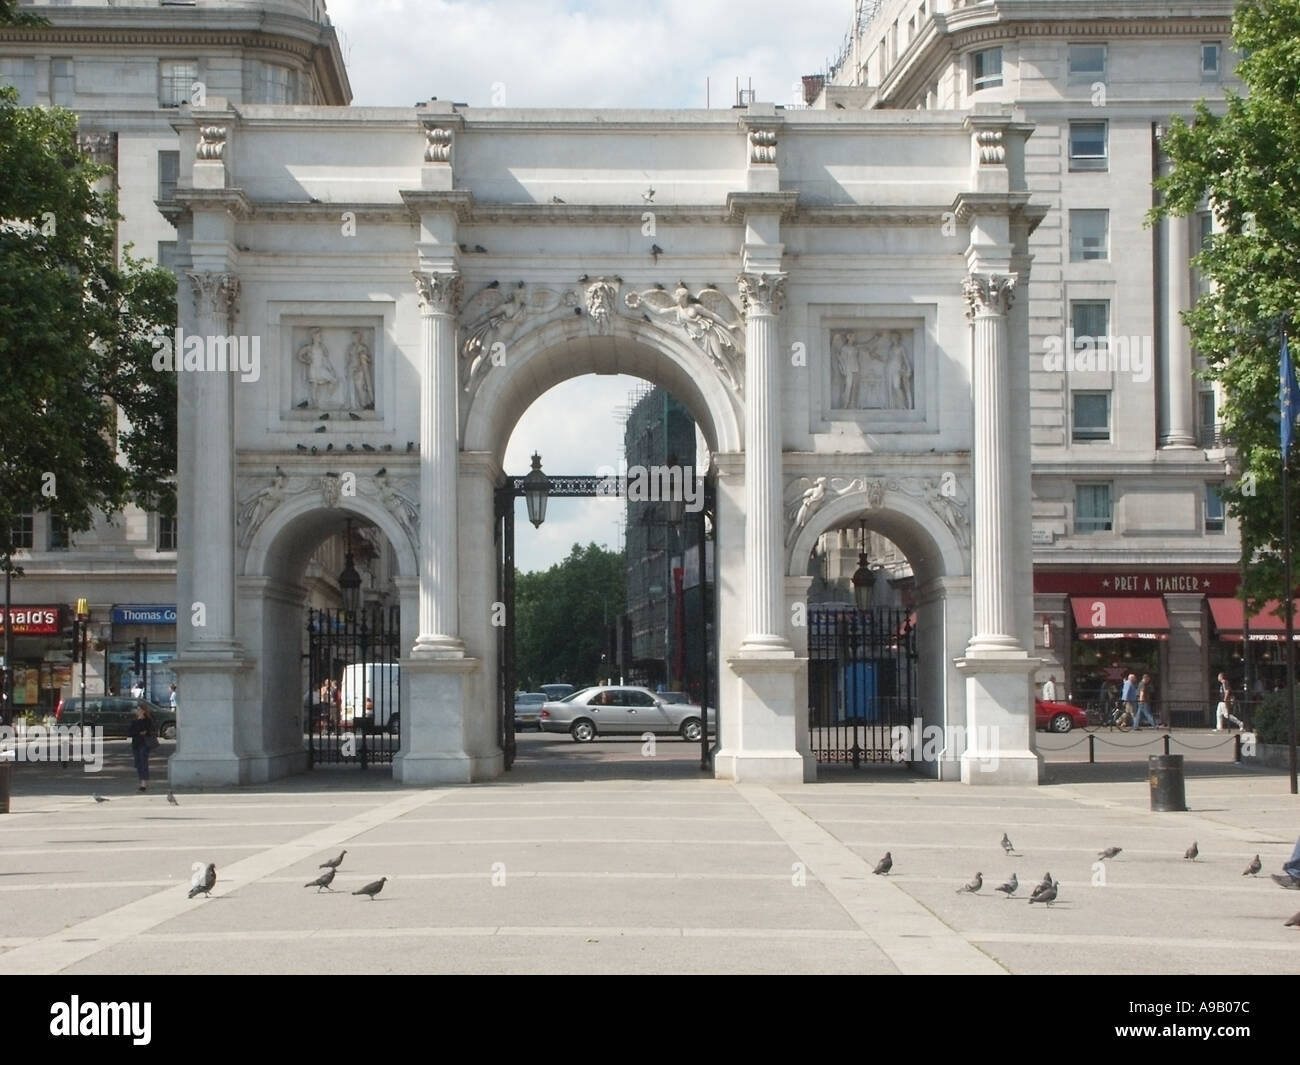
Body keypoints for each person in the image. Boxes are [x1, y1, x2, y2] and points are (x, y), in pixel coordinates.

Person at [127, 702, 156, 792]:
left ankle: (143, 783)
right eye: (137, 709)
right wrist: (139, 732)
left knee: (143, 762)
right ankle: (141, 780)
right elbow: (130, 732)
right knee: (138, 763)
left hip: (144, 744)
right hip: (136, 744)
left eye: (139, 710)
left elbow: (149, 731)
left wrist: (141, 732)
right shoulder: (134, 721)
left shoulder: (147, 720)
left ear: (143, 711)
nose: (138, 711)